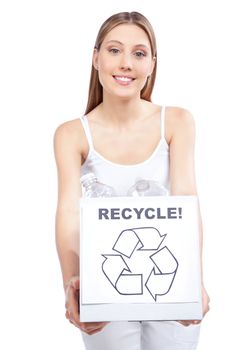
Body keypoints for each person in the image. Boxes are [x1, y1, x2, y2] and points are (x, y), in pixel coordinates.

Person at [54, 11, 210, 350]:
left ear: (152, 63)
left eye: (138, 53)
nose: (126, 63)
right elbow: (68, 212)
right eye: (114, 50)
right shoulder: (71, 134)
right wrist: (71, 284)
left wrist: (192, 280)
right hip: (106, 280)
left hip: (167, 276)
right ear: (96, 58)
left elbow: (186, 198)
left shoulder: (177, 122)